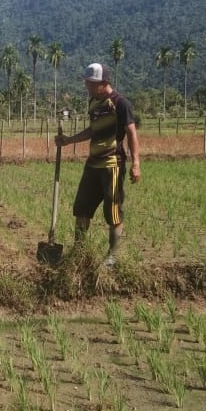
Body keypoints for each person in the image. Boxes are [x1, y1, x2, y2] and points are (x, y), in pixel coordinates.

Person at [55, 62, 141, 267]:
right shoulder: (93, 103)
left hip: (112, 164)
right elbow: (92, 130)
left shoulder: (121, 104)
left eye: (91, 84)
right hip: (93, 164)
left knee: (112, 211)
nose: (88, 87)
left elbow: (131, 133)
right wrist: (69, 140)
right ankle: (79, 252)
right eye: (87, 83)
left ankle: (112, 256)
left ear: (104, 83)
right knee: (81, 208)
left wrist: (136, 163)